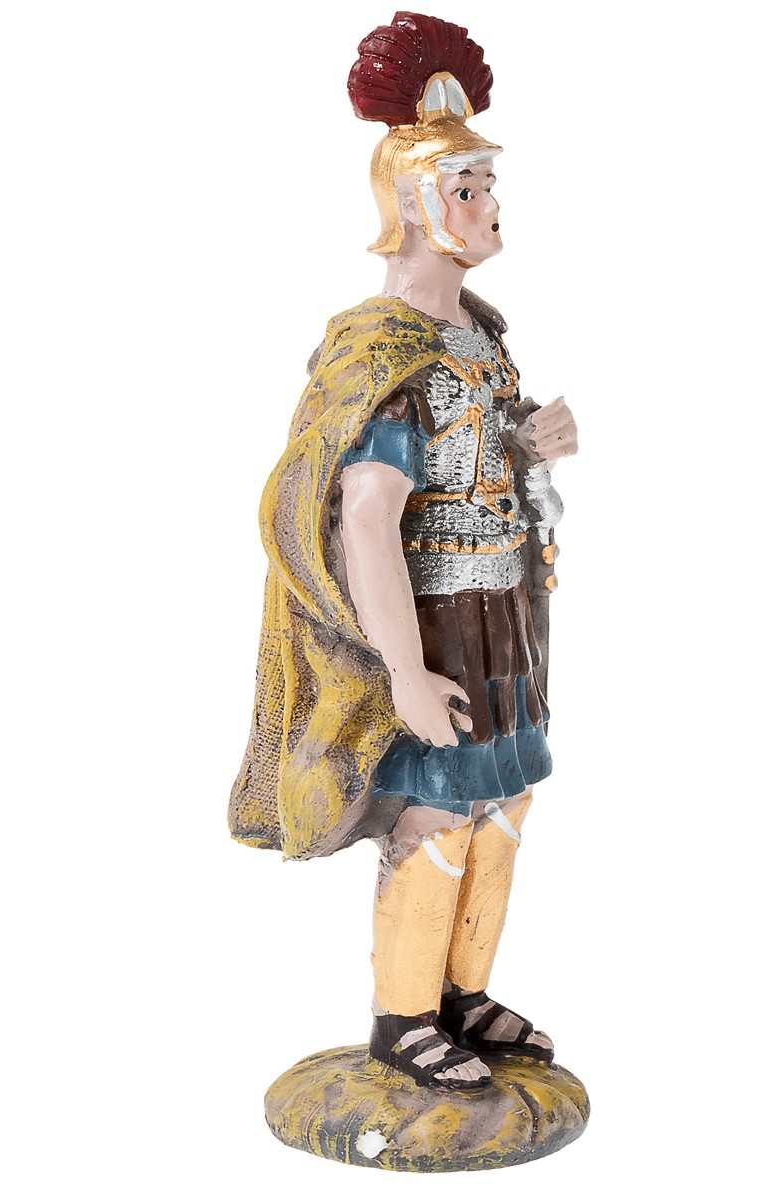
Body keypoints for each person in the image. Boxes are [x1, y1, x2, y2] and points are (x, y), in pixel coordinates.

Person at [229, 12, 577, 1091]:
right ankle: (404, 1019)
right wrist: (405, 673)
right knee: (438, 812)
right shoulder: (383, 356)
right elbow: (367, 519)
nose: (490, 203)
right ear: (418, 205)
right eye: (467, 188)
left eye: (488, 184)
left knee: (504, 806)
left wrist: (529, 444)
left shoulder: (483, 338)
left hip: (506, 614)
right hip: (434, 627)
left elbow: (478, 468)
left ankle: (465, 995)